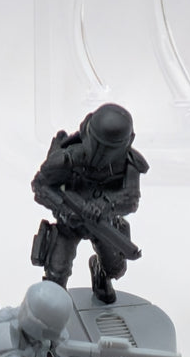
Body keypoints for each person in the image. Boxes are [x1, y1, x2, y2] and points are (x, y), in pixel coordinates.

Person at [31, 103, 148, 303]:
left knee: (115, 268)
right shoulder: (69, 156)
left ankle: (100, 273)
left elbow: (131, 199)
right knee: (56, 273)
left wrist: (105, 205)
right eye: (98, 144)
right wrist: (64, 209)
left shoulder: (129, 164)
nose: (100, 154)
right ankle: (53, 309)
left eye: (108, 148)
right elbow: (40, 185)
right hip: (69, 224)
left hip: (102, 224)